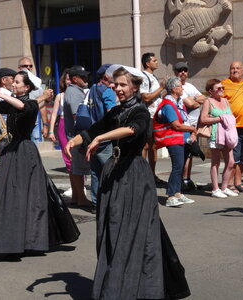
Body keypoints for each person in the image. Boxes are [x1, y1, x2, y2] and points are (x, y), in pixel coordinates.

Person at [65, 67, 189, 299]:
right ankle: (116, 278)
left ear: (134, 87)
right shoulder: (116, 111)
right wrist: (75, 140)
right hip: (114, 172)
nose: (117, 88)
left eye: (122, 84)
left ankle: (139, 283)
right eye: (115, 84)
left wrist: (102, 138)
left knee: (134, 227)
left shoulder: (141, 111)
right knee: (112, 225)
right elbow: (94, 129)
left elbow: (133, 129)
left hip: (133, 174)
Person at [0, 71, 74, 255]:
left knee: (29, 193)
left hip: (24, 152)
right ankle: (11, 236)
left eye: (17, 82)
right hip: (11, 152)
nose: (13, 85)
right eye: (13, 82)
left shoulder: (30, 104)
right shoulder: (13, 105)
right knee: (10, 193)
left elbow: (22, 105)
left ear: (27, 87)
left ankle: (33, 237)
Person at [153, 77, 196, 207]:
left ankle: (177, 193)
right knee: (177, 167)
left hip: (182, 138)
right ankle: (171, 195)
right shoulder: (168, 105)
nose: (182, 88)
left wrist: (191, 132)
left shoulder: (177, 103)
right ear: (174, 89)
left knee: (180, 166)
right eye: (180, 86)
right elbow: (176, 125)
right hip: (174, 139)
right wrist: (192, 128)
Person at [200, 79, 238, 198]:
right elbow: (203, 119)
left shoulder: (226, 101)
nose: (222, 90)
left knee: (231, 162)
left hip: (228, 134)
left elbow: (230, 116)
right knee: (215, 162)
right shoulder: (208, 101)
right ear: (211, 91)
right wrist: (219, 118)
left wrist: (227, 119)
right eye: (219, 88)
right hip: (215, 134)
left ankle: (224, 187)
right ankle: (215, 189)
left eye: (222, 88)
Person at [87, 64, 117, 212]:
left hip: (92, 135)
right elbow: (112, 113)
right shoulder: (108, 92)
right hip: (105, 136)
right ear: (106, 76)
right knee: (109, 170)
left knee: (95, 172)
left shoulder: (92, 89)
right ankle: (109, 202)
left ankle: (95, 203)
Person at [173, 62, 207, 191]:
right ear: (175, 72)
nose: (183, 72)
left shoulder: (190, 86)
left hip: (193, 124)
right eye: (179, 70)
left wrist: (194, 100)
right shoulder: (175, 87)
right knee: (184, 153)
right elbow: (191, 104)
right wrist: (195, 101)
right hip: (184, 125)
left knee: (190, 153)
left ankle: (187, 179)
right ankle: (181, 181)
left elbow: (204, 98)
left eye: (185, 70)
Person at [63, 65, 91, 207]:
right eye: (83, 76)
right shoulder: (74, 92)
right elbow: (77, 115)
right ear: (75, 79)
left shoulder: (73, 90)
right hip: (77, 135)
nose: (86, 78)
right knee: (79, 169)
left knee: (75, 168)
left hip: (74, 135)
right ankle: (81, 198)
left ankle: (76, 197)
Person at [222, 61, 243, 193]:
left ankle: (238, 182)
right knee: (233, 157)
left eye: (238, 68)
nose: (235, 70)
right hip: (232, 127)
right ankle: (229, 183)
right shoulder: (224, 84)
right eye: (232, 68)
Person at [140, 53, 166, 184]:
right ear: (147, 63)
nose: (157, 62)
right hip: (148, 115)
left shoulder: (153, 77)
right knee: (145, 145)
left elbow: (155, 96)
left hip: (156, 116)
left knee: (153, 146)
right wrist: (161, 88)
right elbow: (146, 97)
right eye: (154, 60)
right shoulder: (144, 77)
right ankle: (143, 174)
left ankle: (151, 174)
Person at [48, 69, 72, 197]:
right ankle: (74, 185)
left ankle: (80, 186)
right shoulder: (60, 96)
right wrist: (51, 131)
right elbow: (53, 115)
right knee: (66, 154)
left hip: (75, 124)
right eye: (67, 79)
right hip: (62, 124)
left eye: (71, 78)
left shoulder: (83, 93)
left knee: (77, 155)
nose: (69, 81)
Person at [18, 57, 49, 144]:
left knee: (33, 152)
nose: (28, 67)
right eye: (25, 66)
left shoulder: (37, 83)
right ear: (19, 68)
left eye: (30, 66)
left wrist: (45, 125)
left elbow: (42, 106)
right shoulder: (15, 83)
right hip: (19, 125)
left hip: (34, 124)